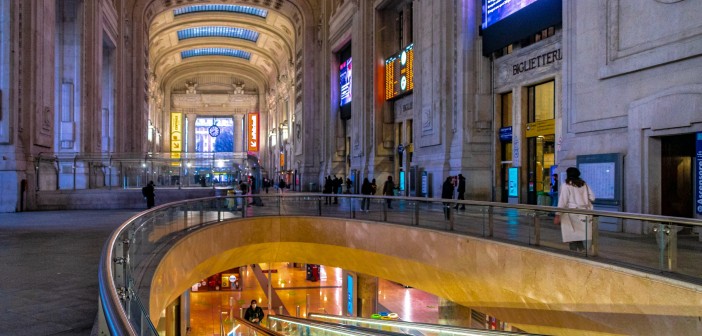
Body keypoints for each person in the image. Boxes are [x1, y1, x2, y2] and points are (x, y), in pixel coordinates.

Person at [554, 167, 595, 252]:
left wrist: (557, 215)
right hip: (584, 213)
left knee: (572, 236)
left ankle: (575, 255)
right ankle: (582, 252)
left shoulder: (566, 185)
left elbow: (562, 201)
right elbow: (592, 197)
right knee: (580, 235)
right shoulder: (584, 184)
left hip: (571, 213)